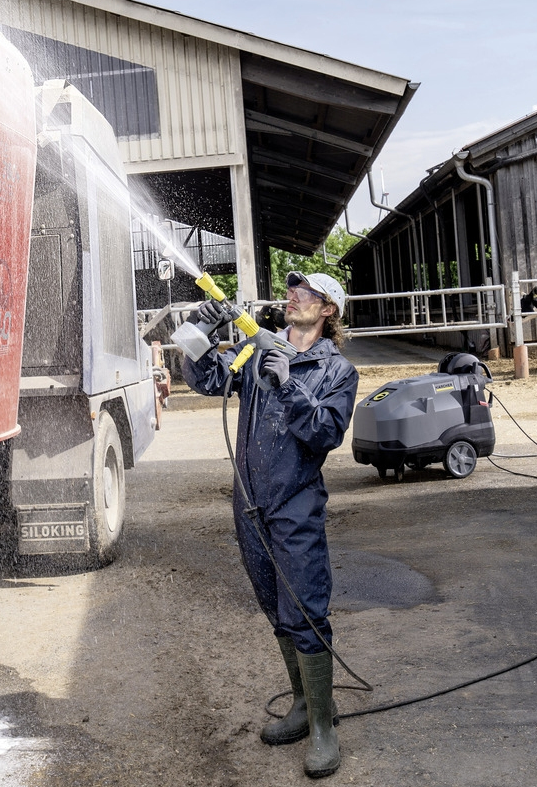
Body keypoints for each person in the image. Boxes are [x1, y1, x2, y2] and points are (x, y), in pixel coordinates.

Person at [182, 271, 359, 779]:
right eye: (292, 288)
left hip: (294, 503)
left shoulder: (336, 370)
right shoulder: (258, 348)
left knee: (305, 607)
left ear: (328, 310)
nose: (293, 294)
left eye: (306, 291)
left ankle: (324, 728)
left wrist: (289, 383)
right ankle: (303, 704)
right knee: (275, 606)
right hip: (250, 503)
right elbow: (208, 380)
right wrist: (198, 328)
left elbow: (324, 433)